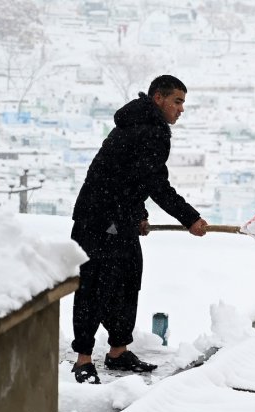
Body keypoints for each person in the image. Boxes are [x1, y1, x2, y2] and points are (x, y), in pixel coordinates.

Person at [69, 74, 209, 384]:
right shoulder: (149, 131)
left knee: (127, 280)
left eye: (183, 102)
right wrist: (190, 219)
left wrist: (138, 213)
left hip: (117, 216)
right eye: (177, 101)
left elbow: (129, 178)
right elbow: (156, 184)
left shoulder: (141, 125)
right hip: (99, 220)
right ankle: (83, 360)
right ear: (158, 98)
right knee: (95, 287)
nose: (181, 109)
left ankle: (118, 351)